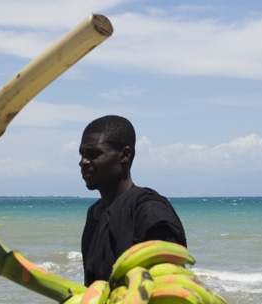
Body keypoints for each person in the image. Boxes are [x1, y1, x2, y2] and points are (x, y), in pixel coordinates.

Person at [78, 115, 187, 285]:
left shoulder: (150, 211)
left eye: (93, 154)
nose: (83, 162)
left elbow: (170, 284)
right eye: (82, 154)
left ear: (124, 155)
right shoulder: (94, 212)